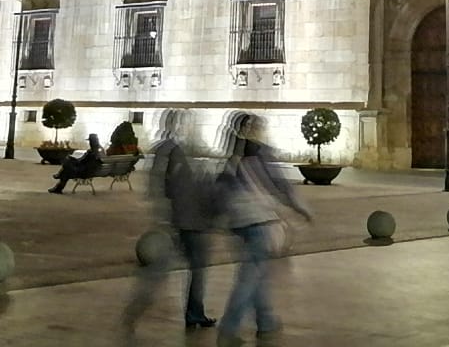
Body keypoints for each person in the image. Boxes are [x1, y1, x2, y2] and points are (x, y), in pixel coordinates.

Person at [216, 113, 312, 347]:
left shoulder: (234, 156)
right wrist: (301, 208)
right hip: (259, 221)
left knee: (257, 273)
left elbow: (222, 187)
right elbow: (280, 184)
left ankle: (266, 320)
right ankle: (228, 328)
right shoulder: (261, 154)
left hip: (238, 223)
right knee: (249, 277)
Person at [120, 110, 217, 334]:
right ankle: (135, 309)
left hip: (194, 221)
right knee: (158, 273)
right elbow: (156, 185)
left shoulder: (189, 149)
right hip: (177, 221)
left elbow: (199, 184)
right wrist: (162, 217)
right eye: (182, 122)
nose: (188, 126)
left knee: (197, 268)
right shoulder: (167, 150)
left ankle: (194, 313)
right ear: (173, 125)